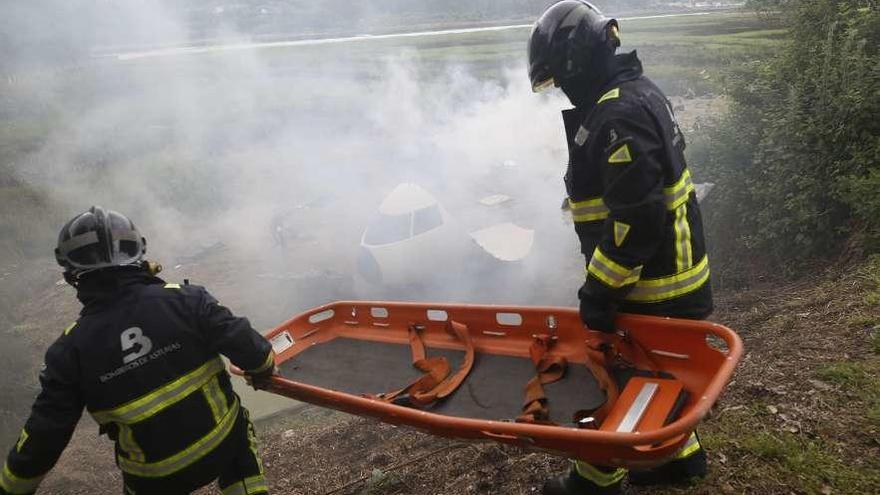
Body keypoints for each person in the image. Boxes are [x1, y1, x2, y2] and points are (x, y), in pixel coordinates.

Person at [528, 2, 713, 494]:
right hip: (674, 275)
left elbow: (637, 219)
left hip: (650, 285)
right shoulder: (636, 94)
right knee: (661, 375)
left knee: (615, 378)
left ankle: (594, 479)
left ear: (576, 63)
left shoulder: (617, 115)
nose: (563, 91)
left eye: (559, 79)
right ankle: (677, 460)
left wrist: (601, 291)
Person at [0, 206, 277, 495]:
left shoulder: (69, 351)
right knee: (239, 432)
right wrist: (264, 369)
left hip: (153, 477)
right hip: (221, 445)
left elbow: (45, 435)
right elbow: (253, 352)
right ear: (138, 252)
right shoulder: (188, 300)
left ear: (71, 272)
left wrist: (11, 487)